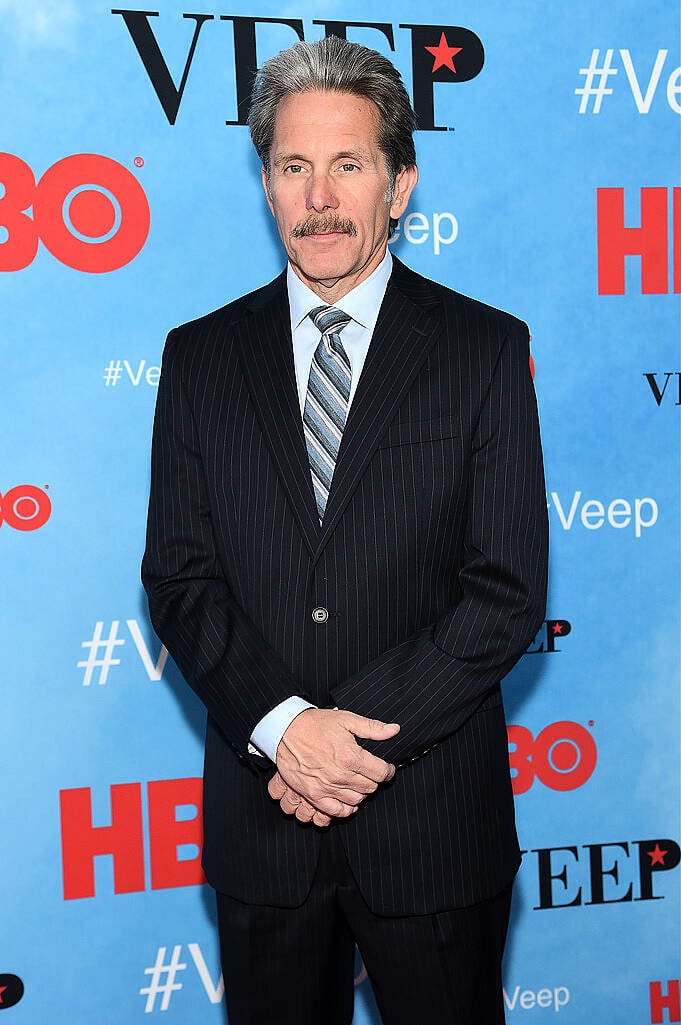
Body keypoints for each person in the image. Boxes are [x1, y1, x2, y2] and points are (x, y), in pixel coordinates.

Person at [142, 35, 548, 1025]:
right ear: (268, 184)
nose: (321, 196)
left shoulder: (483, 350)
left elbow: (504, 590)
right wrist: (286, 731)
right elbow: (182, 578)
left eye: (349, 165)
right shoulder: (199, 359)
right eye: (294, 167)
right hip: (264, 831)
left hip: (431, 828)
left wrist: (336, 742)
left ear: (400, 185)